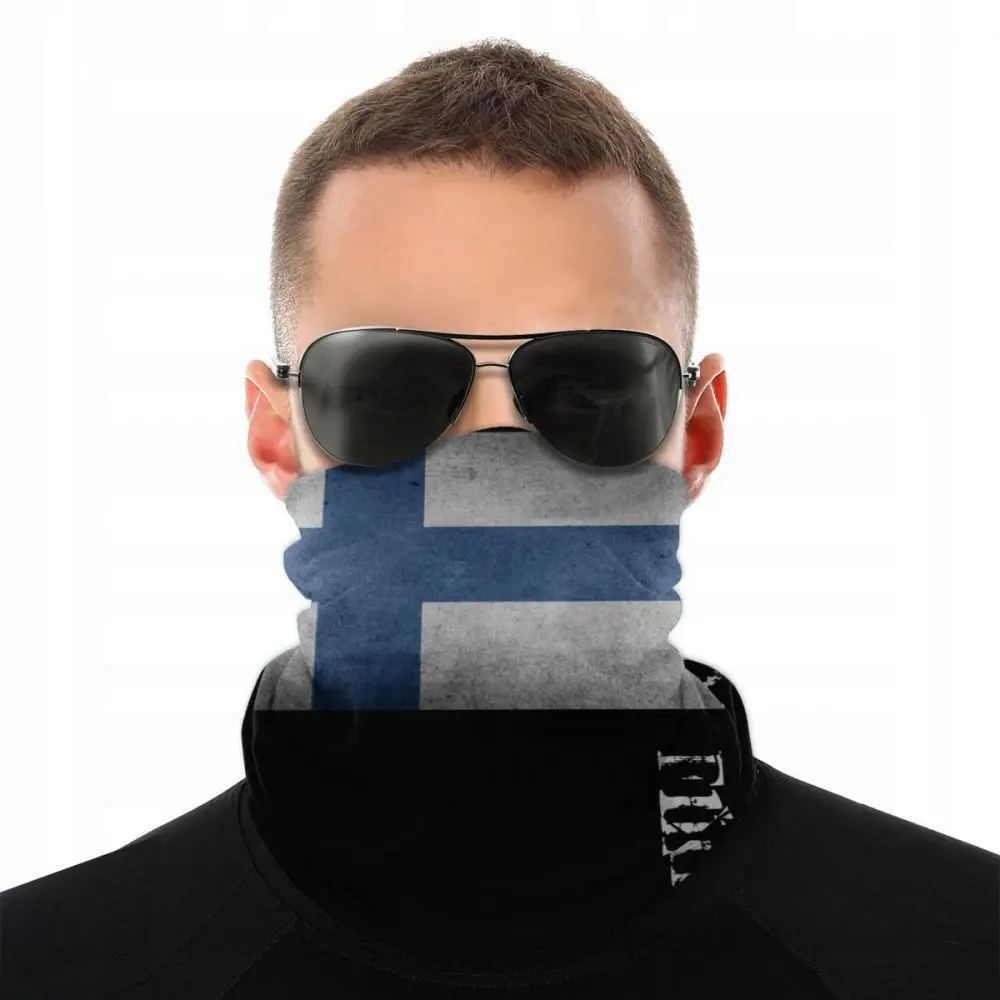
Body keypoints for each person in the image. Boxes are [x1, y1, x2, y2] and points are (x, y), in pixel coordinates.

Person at [2, 38, 996, 999]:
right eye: (390, 385)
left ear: (695, 434)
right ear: (275, 434)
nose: (491, 451)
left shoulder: (965, 952)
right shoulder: (43, 968)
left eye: (588, 383)